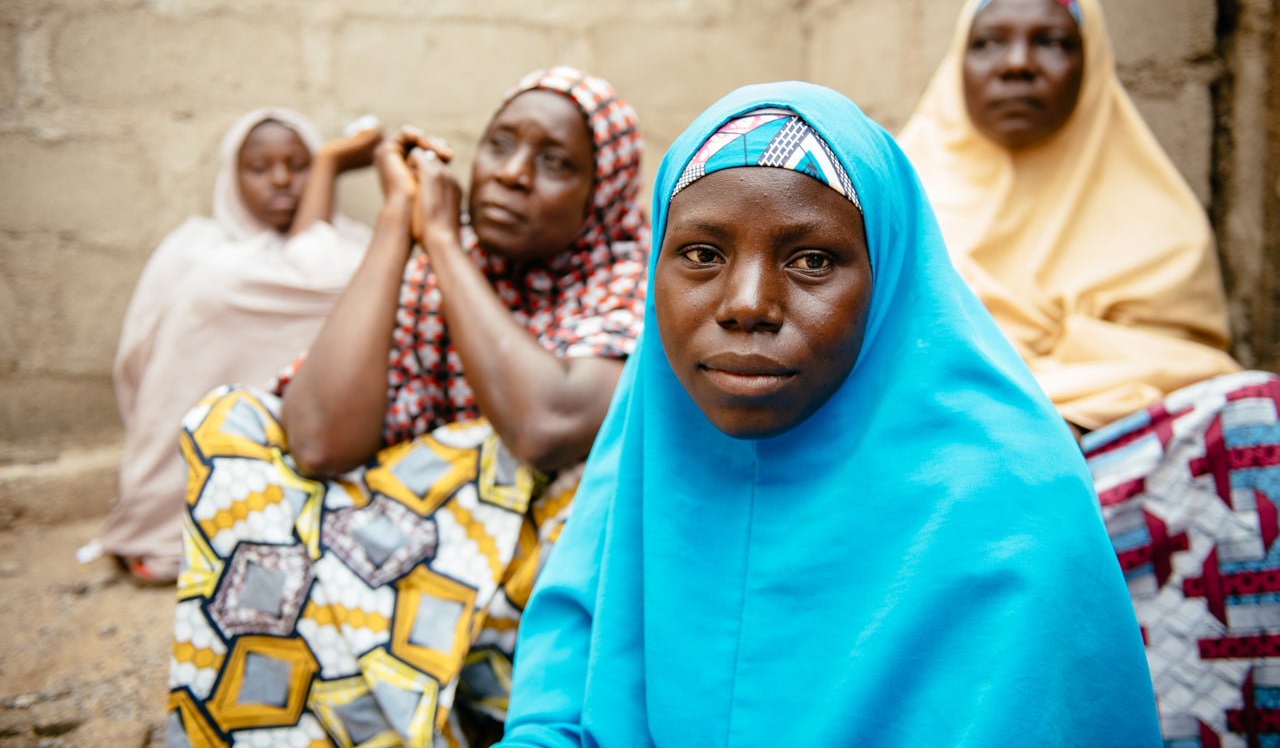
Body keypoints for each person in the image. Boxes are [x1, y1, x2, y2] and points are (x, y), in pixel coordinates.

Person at [499, 81, 1160, 746]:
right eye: (702, 254)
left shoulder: (1011, 509)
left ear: (890, 280)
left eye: (812, 260)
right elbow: (560, 708)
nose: (747, 304)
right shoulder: (646, 452)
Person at [168, 68, 647, 747]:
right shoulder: (433, 276)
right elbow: (316, 441)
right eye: (499, 144)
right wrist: (398, 226)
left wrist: (447, 244)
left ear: (600, 194)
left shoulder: (629, 276)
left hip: (525, 616)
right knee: (229, 422)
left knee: (593, 462)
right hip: (395, 577)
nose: (511, 174)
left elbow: (546, 428)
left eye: (555, 163)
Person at [898, 0, 1280, 743]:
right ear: (956, 64)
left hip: (1108, 463)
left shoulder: (1148, 210)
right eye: (989, 43)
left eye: (1051, 43)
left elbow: (1185, 360)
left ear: (1091, 65)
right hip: (944, 463)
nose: (1016, 62)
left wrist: (1062, 406)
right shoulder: (901, 200)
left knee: (1256, 417)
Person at [86, 108, 378, 584]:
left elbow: (317, 266)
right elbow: (143, 364)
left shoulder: (351, 248)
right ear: (231, 175)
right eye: (259, 168)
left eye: (301, 165)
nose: (282, 180)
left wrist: (330, 161)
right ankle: (163, 526)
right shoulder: (196, 250)